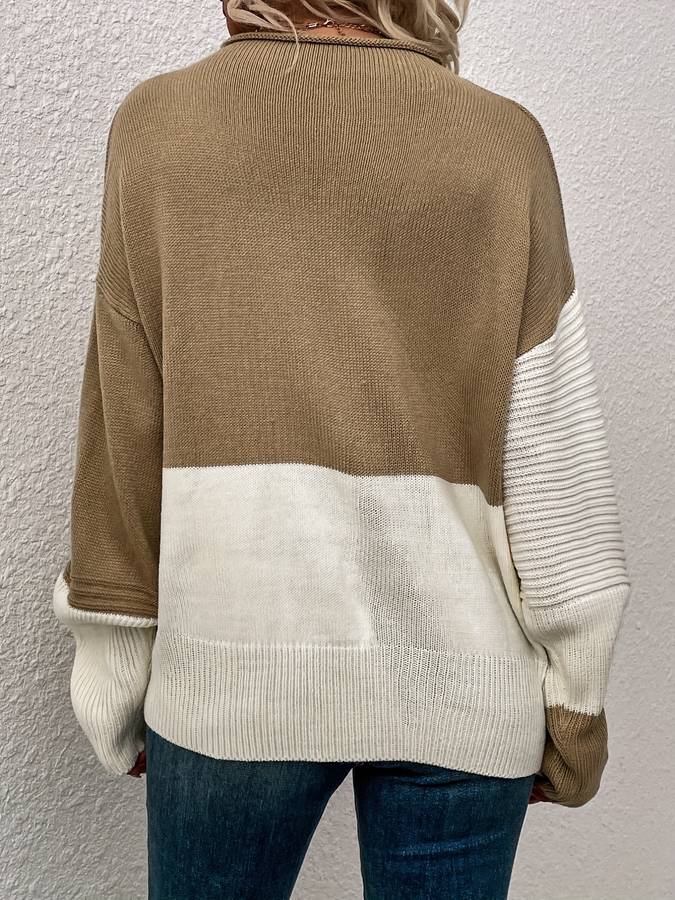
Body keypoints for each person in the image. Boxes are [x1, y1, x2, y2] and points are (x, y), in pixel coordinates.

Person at [51, 1, 632, 897]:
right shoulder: (501, 140)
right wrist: (576, 699)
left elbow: (123, 420)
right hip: (466, 672)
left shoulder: (158, 126)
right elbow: (552, 438)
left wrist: (115, 667)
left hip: (230, 666)